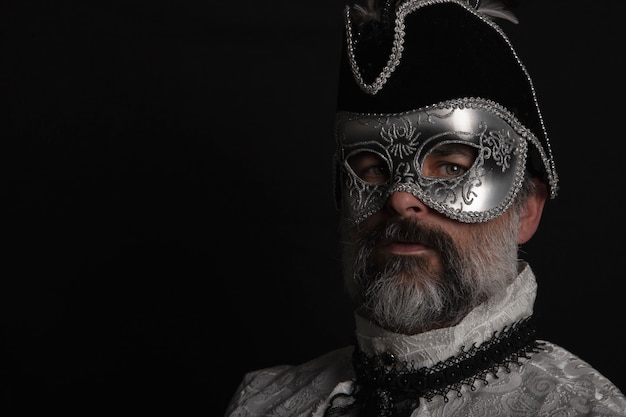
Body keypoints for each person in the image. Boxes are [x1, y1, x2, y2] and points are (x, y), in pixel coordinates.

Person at [224, 0, 626, 416]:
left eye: (451, 166)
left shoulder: (584, 411)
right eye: (373, 168)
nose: (400, 198)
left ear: (525, 210)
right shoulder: (262, 402)